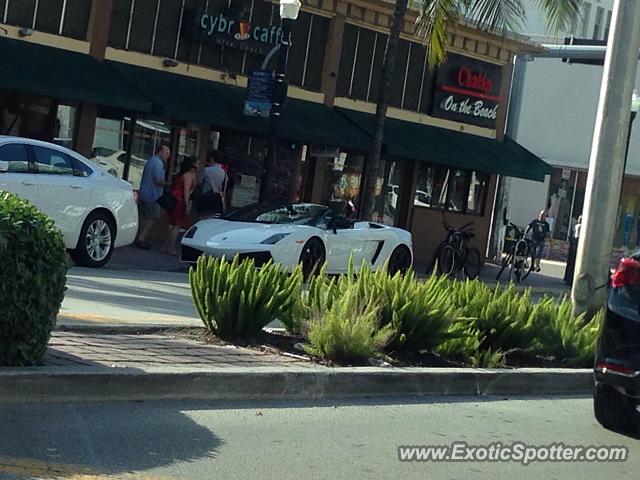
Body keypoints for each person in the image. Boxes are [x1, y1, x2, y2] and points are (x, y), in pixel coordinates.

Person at [135, 145, 170, 250]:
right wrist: (168, 184)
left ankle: (139, 236)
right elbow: (158, 180)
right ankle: (141, 238)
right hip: (152, 195)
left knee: (144, 217)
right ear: (160, 152)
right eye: (166, 153)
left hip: (144, 193)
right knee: (153, 218)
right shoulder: (158, 163)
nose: (168, 156)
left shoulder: (150, 160)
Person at [164, 157, 199, 256]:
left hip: (173, 199)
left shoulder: (182, 174)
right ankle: (171, 248)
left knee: (172, 224)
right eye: (197, 163)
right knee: (177, 225)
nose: (199, 166)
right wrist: (187, 205)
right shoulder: (188, 175)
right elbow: (186, 191)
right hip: (179, 200)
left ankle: (166, 246)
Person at [196, 151, 228, 217]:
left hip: (206, 198)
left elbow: (199, 182)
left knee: (203, 218)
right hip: (217, 200)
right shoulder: (225, 174)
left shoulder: (207, 170)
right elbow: (223, 191)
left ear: (212, 159)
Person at [564, 215, 581, 285]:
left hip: (575, 242)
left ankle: (568, 278)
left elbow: (574, 234)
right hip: (577, 242)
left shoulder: (577, 225)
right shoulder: (579, 226)